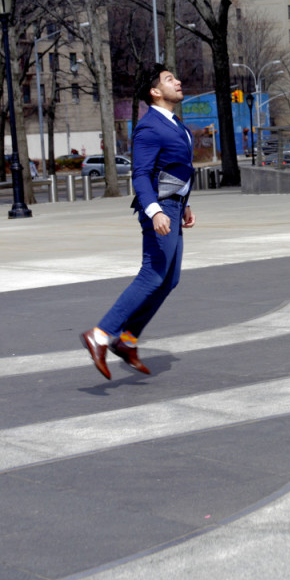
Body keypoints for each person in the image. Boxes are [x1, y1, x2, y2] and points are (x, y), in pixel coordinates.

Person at [80, 63, 196, 380]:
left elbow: (175, 169)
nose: (179, 81)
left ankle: (127, 340)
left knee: (168, 279)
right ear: (155, 91)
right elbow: (141, 175)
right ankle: (100, 335)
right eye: (170, 79)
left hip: (173, 207)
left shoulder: (177, 126)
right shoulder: (149, 127)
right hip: (159, 210)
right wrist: (155, 211)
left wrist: (184, 204)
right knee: (151, 275)